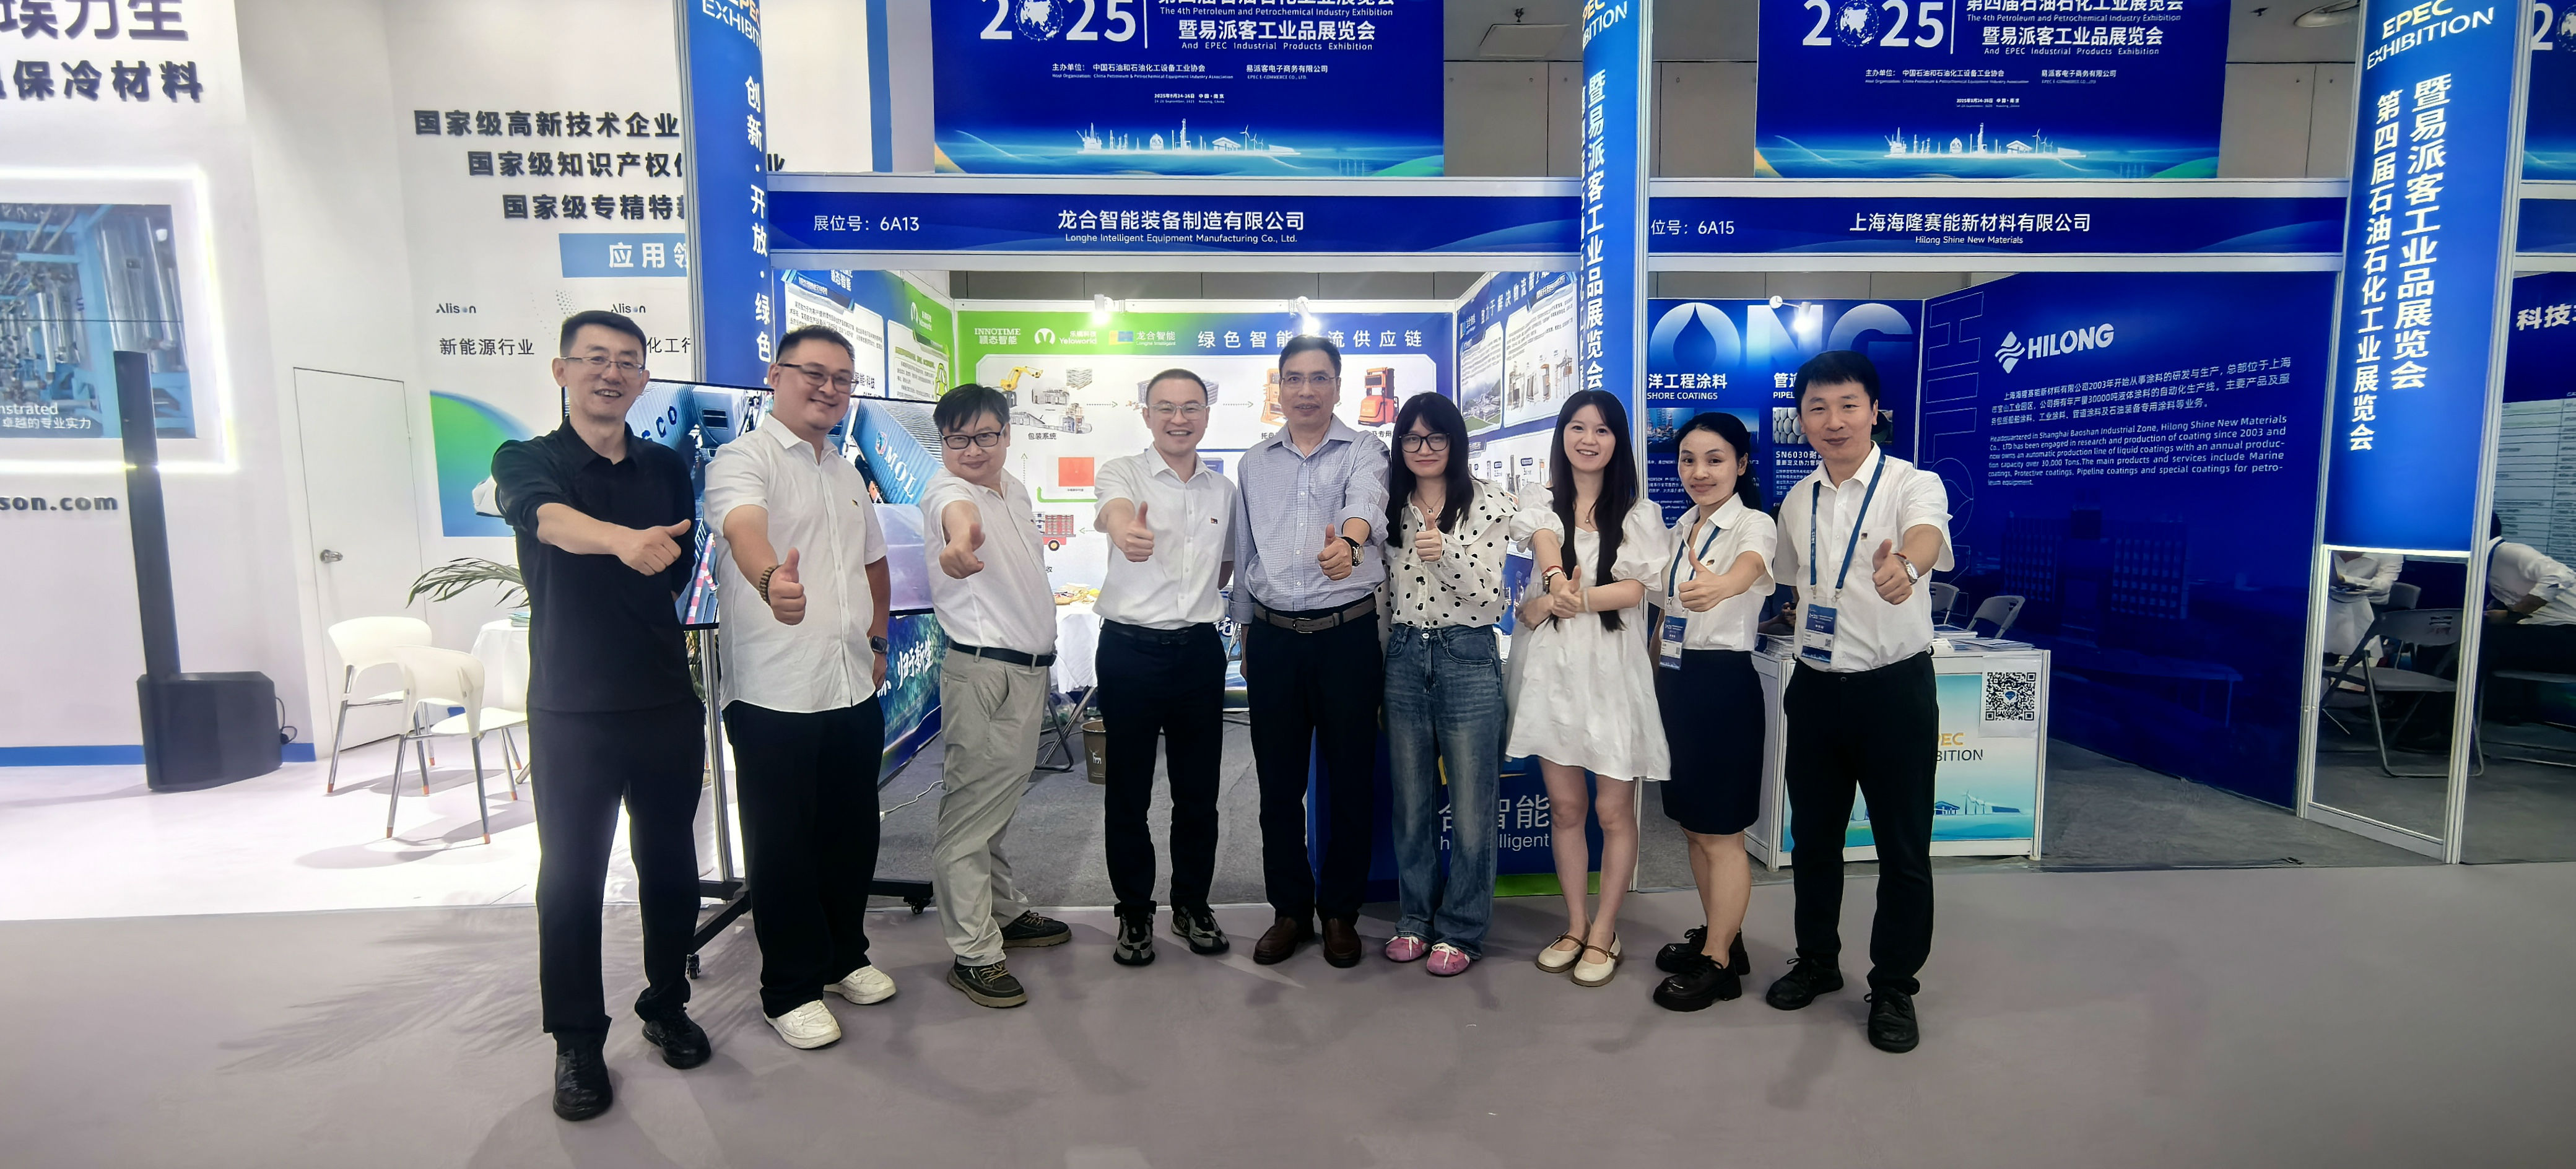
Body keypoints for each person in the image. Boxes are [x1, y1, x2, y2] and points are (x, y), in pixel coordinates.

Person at [490, 310, 709, 1121]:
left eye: (626, 362)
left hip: (663, 700)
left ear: (644, 379)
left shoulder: (667, 466)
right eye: (593, 359)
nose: (609, 373)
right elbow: (545, 520)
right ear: (562, 371)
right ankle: (577, 1041)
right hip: (571, 707)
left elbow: (676, 567)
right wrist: (621, 542)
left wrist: (643, 552)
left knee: (672, 868)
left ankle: (665, 1001)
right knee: (570, 879)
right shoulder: (527, 461)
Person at [705, 324, 897, 1051]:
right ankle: (788, 989)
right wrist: (769, 581)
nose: (828, 388)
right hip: (774, 690)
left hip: (849, 683)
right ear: (775, 375)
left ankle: (844, 956)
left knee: (850, 835)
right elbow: (743, 528)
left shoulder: (844, 472)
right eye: (813, 372)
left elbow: (873, 562)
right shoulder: (743, 459)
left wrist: (877, 639)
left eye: (842, 379)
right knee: (782, 846)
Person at [1765, 349, 1954, 1054]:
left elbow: (1926, 535)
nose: (1833, 420)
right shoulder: (1796, 500)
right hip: (1816, 690)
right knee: (1814, 841)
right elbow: (1795, 585)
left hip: (1893, 691)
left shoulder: (1911, 483)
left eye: (1848, 405)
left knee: (1902, 847)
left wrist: (1905, 565)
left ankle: (1895, 986)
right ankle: (1817, 960)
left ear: (1875, 411)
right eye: (1817, 407)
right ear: (1802, 419)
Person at [1230, 334, 1390, 968]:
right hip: (1272, 641)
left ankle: (1341, 911)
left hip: (1345, 636)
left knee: (1350, 782)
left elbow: (1366, 504)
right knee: (1277, 786)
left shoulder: (1365, 449)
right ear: (1280, 387)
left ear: (1337, 386)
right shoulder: (1253, 463)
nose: (1305, 390)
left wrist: (1348, 545)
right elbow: (1246, 553)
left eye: (1318, 378)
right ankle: (1290, 910)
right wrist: (1245, 635)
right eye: (1293, 378)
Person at [1507, 389, 1668, 989]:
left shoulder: (1638, 513)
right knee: (1567, 808)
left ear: (1617, 440)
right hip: (1555, 675)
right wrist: (1554, 585)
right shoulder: (1541, 502)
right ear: (1562, 436)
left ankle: (1605, 929)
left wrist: (1566, 601)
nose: (1588, 439)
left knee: (1612, 810)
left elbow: (1634, 590)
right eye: (1576, 427)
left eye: (1601, 430)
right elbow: (1546, 546)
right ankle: (1575, 925)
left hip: (1613, 674)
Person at [923, 383, 1073, 1009]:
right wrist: (958, 545)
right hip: (986, 674)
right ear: (943, 443)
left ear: (1007, 435)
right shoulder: (947, 492)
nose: (973, 449)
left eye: (985, 435)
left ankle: (1003, 911)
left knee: (996, 805)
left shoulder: (1012, 488)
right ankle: (973, 954)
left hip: (1026, 674)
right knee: (969, 816)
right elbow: (959, 521)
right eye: (957, 438)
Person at [1092, 368, 1237, 966]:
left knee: (1198, 793)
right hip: (1129, 652)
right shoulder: (1122, 472)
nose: (1180, 419)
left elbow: (1225, 567)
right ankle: (1134, 911)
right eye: (1167, 408)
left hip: (1198, 653)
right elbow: (1115, 513)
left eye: (1191, 407)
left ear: (1206, 414)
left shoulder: (1223, 491)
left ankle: (1191, 904)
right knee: (1128, 792)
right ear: (1146, 413)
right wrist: (1126, 532)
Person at [1380, 392, 1517, 978]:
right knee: (1410, 805)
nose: (1424, 448)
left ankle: (1461, 929)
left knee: (1472, 808)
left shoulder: (1489, 503)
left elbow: (1492, 599)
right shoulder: (1389, 507)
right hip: (1404, 656)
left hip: (1467, 654)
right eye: (1411, 438)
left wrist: (1446, 552)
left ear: (1455, 441)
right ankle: (1415, 919)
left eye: (1435, 437)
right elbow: (1384, 598)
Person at [1645, 413, 1777, 1011]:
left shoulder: (1754, 524)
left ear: (1741, 465)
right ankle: (1723, 936)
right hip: (1677, 684)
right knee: (1694, 826)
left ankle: (1720, 965)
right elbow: (1665, 617)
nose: (1699, 472)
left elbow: (1748, 569)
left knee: (1722, 834)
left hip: (1723, 687)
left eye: (1715, 459)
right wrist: (1648, 686)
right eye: (1689, 459)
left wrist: (1723, 586)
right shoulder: (1681, 529)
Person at [2482, 516, 2576, 726]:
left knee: (2474, 641)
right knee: (2470, 636)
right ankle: (2506, 710)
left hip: (2570, 635)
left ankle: (2442, 723)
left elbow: (2561, 576)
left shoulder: (2507, 553)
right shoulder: (2486, 561)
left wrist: (2513, 615)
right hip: (2552, 634)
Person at [2326, 550, 2403, 661]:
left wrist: (2344, 579)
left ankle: (2347, 660)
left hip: (2372, 605)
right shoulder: (2327, 546)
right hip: (2326, 601)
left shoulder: (2389, 551)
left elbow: (2383, 586)